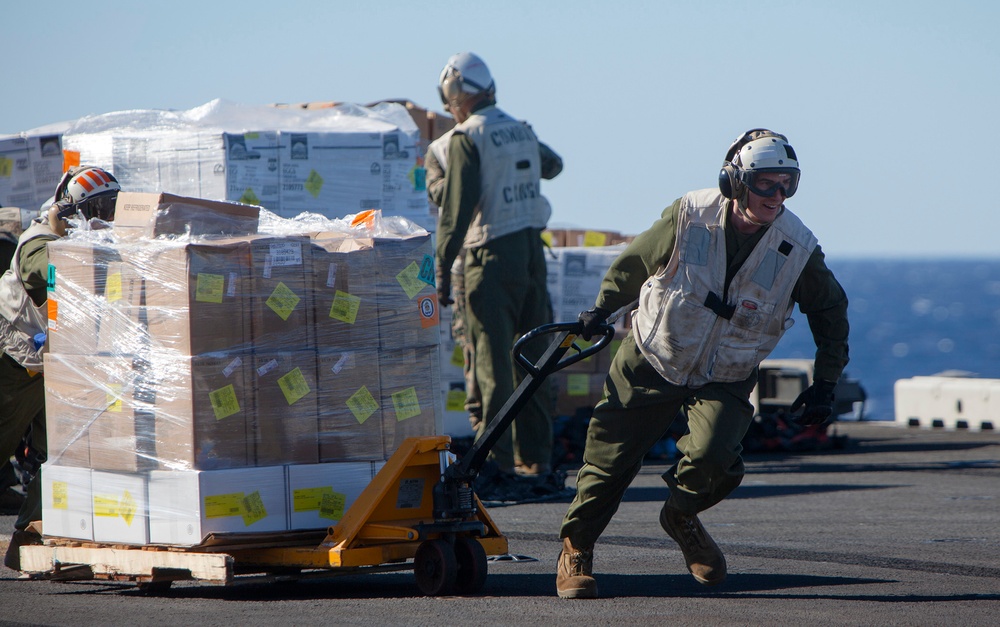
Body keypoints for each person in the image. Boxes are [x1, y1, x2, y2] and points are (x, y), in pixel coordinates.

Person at [555, 129, 850, 599]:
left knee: (717, 459)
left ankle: (680, 515)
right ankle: (577, 548)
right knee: (608, 463)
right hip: (654, 354)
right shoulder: (690, 215)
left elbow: (831, 310)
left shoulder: (797, 247)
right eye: (766, 184)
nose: (777, 197)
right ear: (734, 182)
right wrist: (603, 308)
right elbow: (635, 264)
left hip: (726, 373)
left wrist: (826, 381)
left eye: (787, 185)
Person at [433, 52, 561, 500]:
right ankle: (537, 458)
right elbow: (553, 165)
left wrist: (441, 271)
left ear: (458, 95)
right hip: (531, 255)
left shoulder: (466, 139)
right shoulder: (519, 129)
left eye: (450, 101)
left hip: (489, 256)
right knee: (534, 359)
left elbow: (456, 212)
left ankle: (497, 463)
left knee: (491, 366)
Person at [1, 165, 121, 571]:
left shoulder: (82, 243)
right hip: (13, 367)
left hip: (50, 370)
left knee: (60, 456)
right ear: (68, 211)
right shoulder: (40, 243)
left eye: (111, 208)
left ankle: (29, 540)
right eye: (97, 209)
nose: (105, 218)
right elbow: (52, 272)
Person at [425, 123, 562, 446]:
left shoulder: (454, 145)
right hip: (489, 257)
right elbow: (449, 196)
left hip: (487, 260)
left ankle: (506, 456)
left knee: (496, 360)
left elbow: (551, 165)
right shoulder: (450, 147)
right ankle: (510, 453)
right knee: (494, 361)